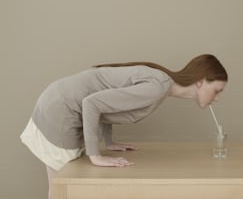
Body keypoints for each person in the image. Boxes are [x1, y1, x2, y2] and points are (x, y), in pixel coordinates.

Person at [20, 54, 228, 199]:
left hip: (57, 102)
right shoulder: (157, 87)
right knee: (63, 193)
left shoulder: (160, 84)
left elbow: (105, 100)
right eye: (217, 90)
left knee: (59, 192)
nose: (217, 98)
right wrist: (96, 155)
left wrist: (108, 142)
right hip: (60, 112)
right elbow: (91, 103)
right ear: (201, 81)